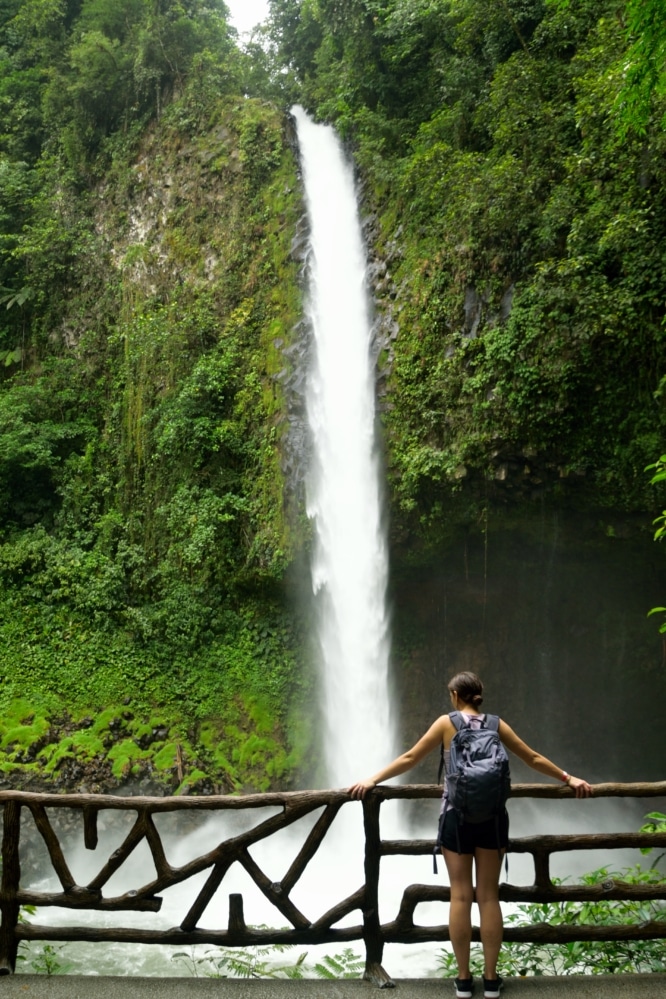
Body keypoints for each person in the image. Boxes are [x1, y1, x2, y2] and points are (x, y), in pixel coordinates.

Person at [348, 671, 592, 999]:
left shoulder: (446, 724)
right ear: (479, 695)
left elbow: (410, 757)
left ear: (454, 695)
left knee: (460, 896)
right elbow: (531, 757)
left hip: (456, 819)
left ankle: (464, 980)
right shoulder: (496, 724)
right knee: (488, 897)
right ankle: (491, 980)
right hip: (492, 819)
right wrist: (568, 777)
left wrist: (372, 780)